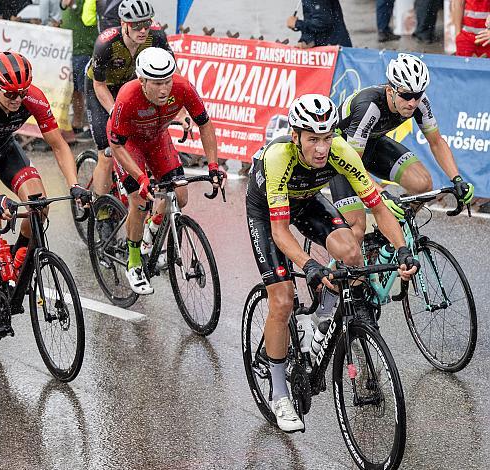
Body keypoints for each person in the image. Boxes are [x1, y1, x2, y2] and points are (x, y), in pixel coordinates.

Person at [245, 94, 419, 432]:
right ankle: (279, 394)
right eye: (313, 139)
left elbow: (379, 209)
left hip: (308, 202)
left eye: (326, 138)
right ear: (296, 137)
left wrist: (402, 249)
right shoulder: (279, 158)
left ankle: (321, 320)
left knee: (352, 252)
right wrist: (309, 264)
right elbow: (280, 232)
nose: (321, 148)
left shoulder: (341, 150)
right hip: (267, 215)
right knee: (281, 300)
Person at [0, 51, 91, 334]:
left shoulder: (33, 97)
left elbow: (58, 144)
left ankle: (15, 262)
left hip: (3, 149)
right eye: (10, 95)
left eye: (21, 93)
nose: (17, 100)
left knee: (39, 204)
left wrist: (74, 184)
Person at [108, 47, 225, 294]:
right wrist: (140, 177)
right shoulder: (127, 96)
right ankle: (134, 263)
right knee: (139, 201)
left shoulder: (182, 87)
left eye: (167, 81)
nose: (164, 89)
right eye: (158, 83)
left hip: (157, 139)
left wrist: (213, 165)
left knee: (180, 196)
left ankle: (151, 233)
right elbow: (116, 144)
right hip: (128, 145)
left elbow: (205, 124)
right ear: (142, 81)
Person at [330, 53, 474, 244]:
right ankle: (349, 270)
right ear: (390, 90)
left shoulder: (419, 103)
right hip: (341, 158)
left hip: (372, 144)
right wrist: (381, 194)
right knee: (356, 230)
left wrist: (457, 179)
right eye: (406, 95)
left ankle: (386, 237)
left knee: (422, 184)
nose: (413, 102)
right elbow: (353, 164)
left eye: (418, 95)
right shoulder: (369, 106)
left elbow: (436, 142)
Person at [86, 0, 171, 198]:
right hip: (101, 88)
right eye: (136, 25)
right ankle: (102, 211)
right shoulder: (106, 42)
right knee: (107, 153)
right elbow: (99, 85)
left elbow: (170, 75)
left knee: (142, 139)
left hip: (130, 87)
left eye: (146, 24)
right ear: (124, 23)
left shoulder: (156, 36)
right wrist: (115, 112)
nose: (142, 30)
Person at [61, 0, 98, 141]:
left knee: (87, 90)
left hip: (84, 48)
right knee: (75, 90)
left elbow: (88, 17)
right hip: (69, 49)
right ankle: (77, 123)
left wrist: (72, 5)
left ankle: (92, 127)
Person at [286, 0, 352, 47]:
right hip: (327, 46)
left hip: (336, 49)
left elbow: (323, 22)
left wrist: (297, 23)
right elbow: (312, 18)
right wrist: (306, 40)